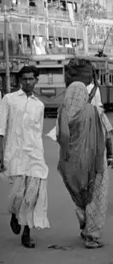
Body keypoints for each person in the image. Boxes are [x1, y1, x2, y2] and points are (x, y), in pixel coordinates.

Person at [0, 66, 49, 248]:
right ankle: (15, 215)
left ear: (36, 80)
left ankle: (27, 233)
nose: (28, 82)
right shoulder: (9, 100)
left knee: (31, 195)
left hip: (35, 155)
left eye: (31, 79)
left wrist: (40, 154)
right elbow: (0, 127)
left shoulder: (39, 105)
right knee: (18, 194)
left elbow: (38, 132)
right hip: (15, 154)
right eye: (24, 79)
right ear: (19, 81)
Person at [56, 82, 113, 249]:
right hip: (95, 163)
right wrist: (110, 155)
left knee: (80, 197)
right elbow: (109, 135)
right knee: (96, 197)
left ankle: (84, 224)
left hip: (71, 166)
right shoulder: (95, 112)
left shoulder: (62, 114)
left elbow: (60, 137)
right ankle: (91, 235)